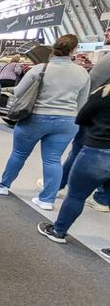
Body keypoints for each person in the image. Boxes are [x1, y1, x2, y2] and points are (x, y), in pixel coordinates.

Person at [0, 35, 91, 211]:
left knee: (18, 154)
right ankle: (47, 199)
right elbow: (82, 103)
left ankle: (3, 185)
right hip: (67, 122)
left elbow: (18, 92)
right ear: (73, 50)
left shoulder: (40, 69)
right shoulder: (82, 73)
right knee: (53, 160)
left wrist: (2, 89)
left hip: (35, 118)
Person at [37, 82, 110, 243]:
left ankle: (58, 231)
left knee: (76, 196)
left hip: (98, 151)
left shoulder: (103, 93)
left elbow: (82, 117)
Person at [48, 51, 110, 213]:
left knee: (78, 152)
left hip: (98, 121)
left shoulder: (107, 60)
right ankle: (103, 199)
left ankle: (60, 185)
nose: (107, 33)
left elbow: (92, 85)